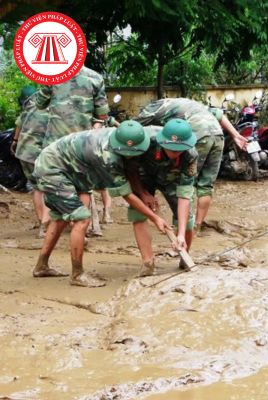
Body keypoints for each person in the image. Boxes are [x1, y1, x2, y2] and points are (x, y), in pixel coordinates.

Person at [31, 121, 169, 287]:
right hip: (53, 169)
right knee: (82, 219)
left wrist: (144, 193)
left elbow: (130, 167)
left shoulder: (132, 137)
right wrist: (155, 219)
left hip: (70, 167)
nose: (130, 155)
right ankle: (77, 274)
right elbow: (125, 194)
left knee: (61, 218)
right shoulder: (108, 155)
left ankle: (41, 266)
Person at [135, 97, 247, 235]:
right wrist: (236, 135)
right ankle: (196, 227)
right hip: (218, 135)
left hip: (196, 135)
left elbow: (134, 127)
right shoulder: (194, 105)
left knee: (182, 182)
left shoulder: (155, 107)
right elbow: (219, 115)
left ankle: (183, 226)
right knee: (206, 185)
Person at [36, 65, 114, 226]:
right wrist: (94, 132)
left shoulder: (52, 74)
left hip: (55, 141)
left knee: (50, 181)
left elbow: (40, 104)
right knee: (83, 185)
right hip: (81, 141)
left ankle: (48, 223)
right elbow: (102, 114)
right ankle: (80, 225)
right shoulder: (95, 77)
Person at [126, 119, 198, 276]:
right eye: (171, 149)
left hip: (173, 178)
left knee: (187, 219)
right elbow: (130, 170)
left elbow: (185, 196)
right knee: (139, 213)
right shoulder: (146, 141)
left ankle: (184, 256)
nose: (175, 153)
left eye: (179, 150)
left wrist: (180, 233)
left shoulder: (190, 155)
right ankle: (148, 263)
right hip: (144, 177)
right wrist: (143, 193)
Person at [10, 86, 51, 237]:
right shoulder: (51, 107)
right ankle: (45, 227)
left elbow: (18, 127)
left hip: (24, 153)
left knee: (36, 188)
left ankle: (41, 222)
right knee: (47, 188)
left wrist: (14, 142)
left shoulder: (27, 109)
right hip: (42, 154)